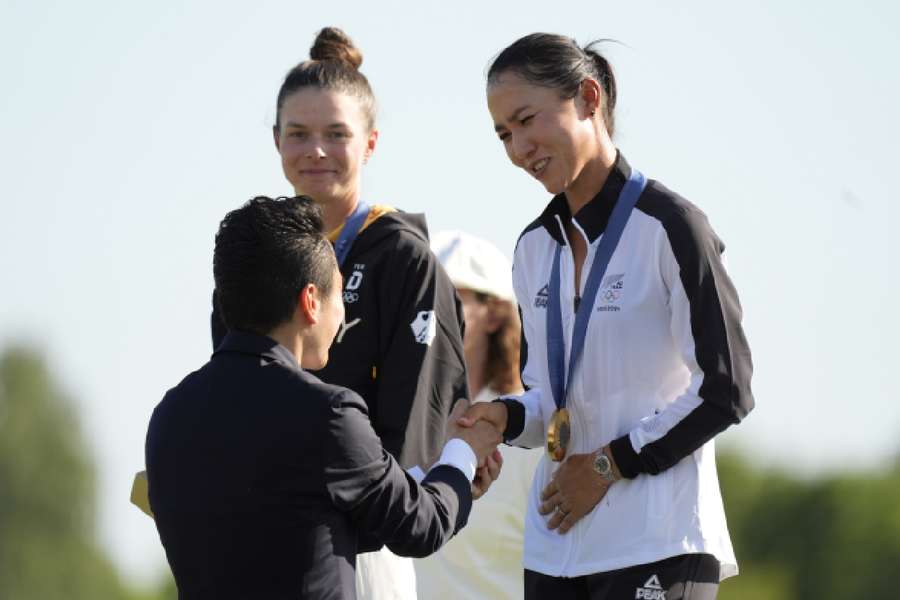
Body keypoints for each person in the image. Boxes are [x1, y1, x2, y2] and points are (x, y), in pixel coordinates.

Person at [209, 27, 499, 598]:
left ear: (369, 143)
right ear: (275, 140)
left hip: (364, 547)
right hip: (260, 535)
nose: (315, 150)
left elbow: (417, 432)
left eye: (336, 134)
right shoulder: (255, 255)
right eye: (298, 133)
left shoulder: (403, 256)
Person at [462, 33, 755, 599]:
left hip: (658, 542)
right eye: (504, 133)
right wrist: (498, 416)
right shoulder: (531, 249)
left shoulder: (672, 227)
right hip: (555, 546)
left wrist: (605, 466)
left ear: (589, 98)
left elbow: (727, 388)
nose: (519, 147)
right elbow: (551, 396)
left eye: (527, 120)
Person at [147, 196, 501, 600]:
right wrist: (462, 454)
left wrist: (435, 477)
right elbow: (421, 526)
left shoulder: (170, 414)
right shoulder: (329, 414)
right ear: (311, 301)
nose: (343, 314)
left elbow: (323, 520)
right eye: (340, 294)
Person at [415, 231, 542, 599]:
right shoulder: (388, 424)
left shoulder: (533, 432)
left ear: (493, 313)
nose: (428, 310)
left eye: (447, 296)